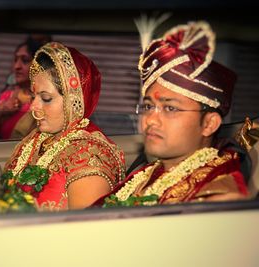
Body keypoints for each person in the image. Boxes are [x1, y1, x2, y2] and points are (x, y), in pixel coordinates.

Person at [95, 21, 250, 208]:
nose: (150, 120)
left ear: (209, 123)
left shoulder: (216, 198)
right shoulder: (149, 173)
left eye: (170, 108)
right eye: (148, 107)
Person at [0, 42, 125, 212]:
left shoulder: (89, 156)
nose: (33, 106)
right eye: (34, 96)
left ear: (73, 101)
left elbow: (83, 232)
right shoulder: (35, 140)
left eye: (46, 98)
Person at [0, 35, 51, 140]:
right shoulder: (6, 98)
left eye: (25, 60)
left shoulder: (47, 101)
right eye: (15, 60)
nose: (17, 66)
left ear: (40, 66)